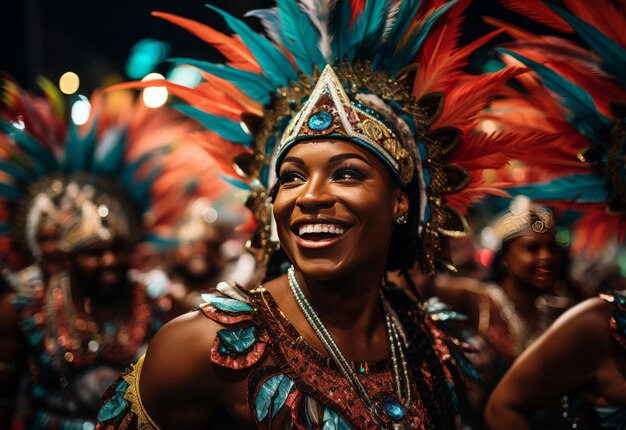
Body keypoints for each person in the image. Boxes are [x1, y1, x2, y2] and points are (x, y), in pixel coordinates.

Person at [94, 1, 534, 428]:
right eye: (291, 177)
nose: (310, 196)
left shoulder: (431, 340)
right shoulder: (201, 346)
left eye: (346, 174)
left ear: (400, 201)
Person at [0, 81, 213, 429]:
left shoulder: (156, 299)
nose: (109, 261)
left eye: (117, 249)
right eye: (94, 253)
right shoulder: (27, 304)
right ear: (69, 257)